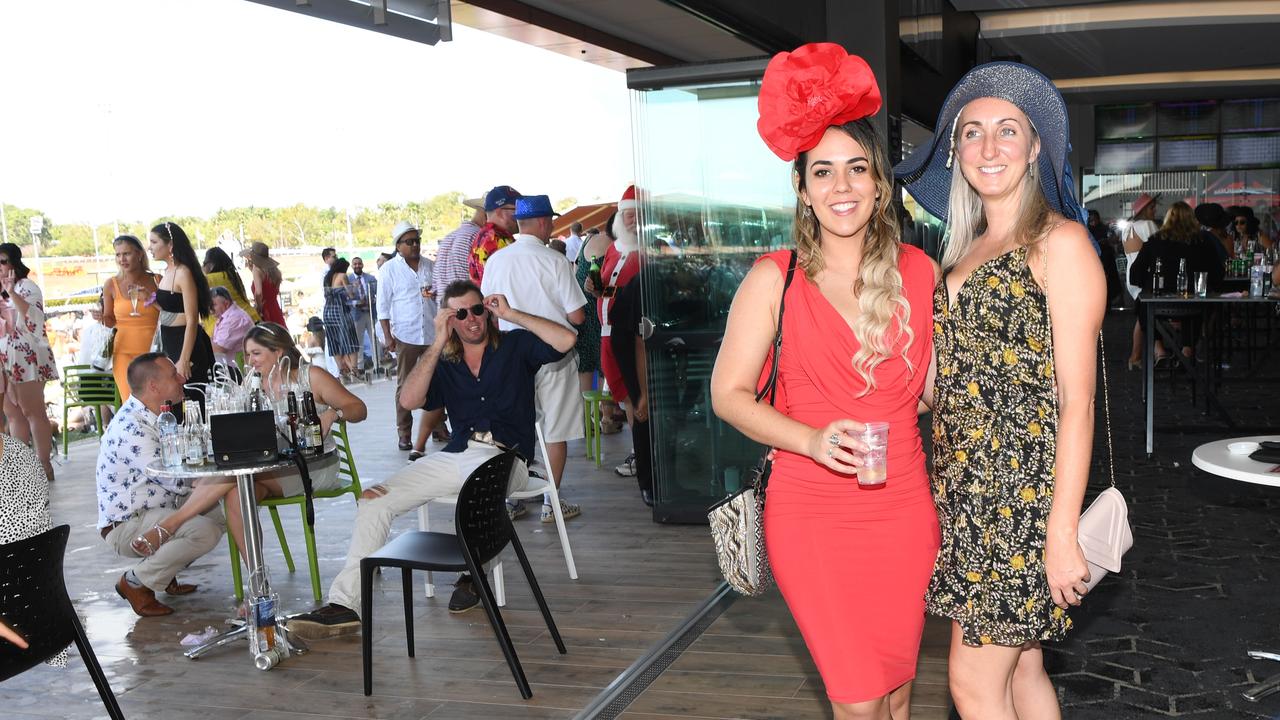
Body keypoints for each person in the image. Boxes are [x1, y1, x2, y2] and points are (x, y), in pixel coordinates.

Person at [714, 44, 940, 720]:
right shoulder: (772, 278)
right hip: (812, 513)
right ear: (804, 190)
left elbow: (928, 392)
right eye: (823, 173)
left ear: (878, 182)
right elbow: (728, 396)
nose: (842, 188)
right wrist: (811, 439)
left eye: (857, 170)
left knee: (899, 697)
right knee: (860, 704)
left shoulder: (920, 273)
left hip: (904, 507)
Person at [895, 60, 1104, 719]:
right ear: (956, 150)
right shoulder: (964, 253)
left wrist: (1062, 532)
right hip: (963, 497)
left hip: (1020, 504)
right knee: (1020, 676)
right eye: (973, 132)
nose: (989, 147)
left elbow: (1078, 403)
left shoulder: (1060, 243)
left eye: (1008, 131)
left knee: (972, 687)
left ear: (1036, 147)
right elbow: (944, 392)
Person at [286, 283, 575, 638]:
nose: (472, 320)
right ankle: (346, 606)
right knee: (374, 500)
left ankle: (474, 571)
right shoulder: (446, 361)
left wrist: (511, 313)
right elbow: (408, 400)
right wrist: (437, 342)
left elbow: (566, 340)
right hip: (458, 455)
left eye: (477, 310)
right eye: (460, 314)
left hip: (506, 458)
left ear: (487, 310)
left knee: (477, 485)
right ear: (449, 319)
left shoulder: (515, 346)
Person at [128, 323, 366, 567]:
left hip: (312, 467)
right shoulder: (252, 385)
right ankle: (258, 578)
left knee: (231, 480)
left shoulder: (311, 376)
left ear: (279, 352)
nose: (250, 361)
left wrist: (332, 413)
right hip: (270, 466)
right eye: (248, 354)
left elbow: (358, 408)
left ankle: (171, 524)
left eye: (256, 353)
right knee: (235, 490)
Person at [481, 194, 587, 522]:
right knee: (555, 431)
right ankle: (550, 504)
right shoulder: (553, 261)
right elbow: (578, 316)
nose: (553, 226)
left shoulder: (497, 260)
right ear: (542, 222)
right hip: (552, 354)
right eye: (551, 220)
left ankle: (512, 499)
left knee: (514, 431)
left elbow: (488, 309)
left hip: (510, 357)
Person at [96, 353, 225, 616]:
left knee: (229, 512)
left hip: (154, 508)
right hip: (127, 524)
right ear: (153, 386)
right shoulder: (133, 428)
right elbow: (176, 480)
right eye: (173, 375)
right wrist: (216, 475)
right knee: (205, 531)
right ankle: (136, 581)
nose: (181, 378)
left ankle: (164, 573)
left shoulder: (155, 415)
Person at [1128, 201, 1225, 362]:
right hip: (1195, 303)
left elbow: (1135, 273)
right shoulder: (1203, 241)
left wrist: (1150, 283)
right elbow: (1217, 274)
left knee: (1144, 306)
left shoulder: (1154, 241)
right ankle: (1188, 348)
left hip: (1159, 303)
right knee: (1198, 307)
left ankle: (1159, 349)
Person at [0, 243, 59, 482]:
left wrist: (11, 291)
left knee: (33, 411)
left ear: (14, 263)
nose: (0, 267)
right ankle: (22, 468)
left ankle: (44, 464)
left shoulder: (27, 287)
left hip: (27, 357)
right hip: (4, 358)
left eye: (3, 261)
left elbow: (34, 319)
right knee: (13, 414)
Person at [377, 221, 438, 452]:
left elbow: (440, 297)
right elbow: (382, 306)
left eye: (417, 241)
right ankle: (404, 434)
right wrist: (387, 337)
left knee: (436, 383)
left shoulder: (431, 266)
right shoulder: (389, 270)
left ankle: (439, 428)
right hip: (405, 334)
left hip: (431, 334)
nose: (414, 245)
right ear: (398, 245)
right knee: (405, 385)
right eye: (409, 242)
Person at [149, 222, 215, 396]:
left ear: (170, 245)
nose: (150, 247)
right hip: (170, 341)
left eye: (154, 242)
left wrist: (184, 359)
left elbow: (192, 319)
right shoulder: (168, 272)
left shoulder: (183, 272)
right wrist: (149, 301)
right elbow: (172, 309)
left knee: (192, 398)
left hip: (185, 343)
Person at [102, 234, 160, 402]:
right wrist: (102, 317)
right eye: (118, 255)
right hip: (123, 351)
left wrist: (150, 298)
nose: (122, 259)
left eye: (127, 253)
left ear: (140, 254)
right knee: (132, 403)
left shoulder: (157, 280)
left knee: (156, 403)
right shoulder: (111, 284)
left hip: (153, 351)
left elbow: (167, 313)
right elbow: (109, 319)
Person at [1124, 194, 1160, 367]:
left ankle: (1136, 356)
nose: (1155, 210)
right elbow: (1159, 248)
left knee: (1142, 316)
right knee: (1146, 315)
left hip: (1131, 277)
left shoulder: (1127, 228)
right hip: (1144, 277)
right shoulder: (1148, 225)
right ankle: (1144, 354)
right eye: (1152, 207)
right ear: (1145, 210)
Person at [467, 185, 521, 285]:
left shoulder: (483, 236)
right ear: (499, 213)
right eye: (516, 209)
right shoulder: (496, 239)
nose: (521, 214)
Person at [201, 247, 259, 339]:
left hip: (228, 327)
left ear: (210, 264)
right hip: (251, 318)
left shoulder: (208, 279)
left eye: (204, 263)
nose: (203, 266)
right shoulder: (232, 276)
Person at [435, 197, 487, 289]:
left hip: (444, 302)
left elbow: (436, 285)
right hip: (467, 301)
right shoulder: (479, 237)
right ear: (486, 214)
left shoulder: (448, 237)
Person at [323, 258, 360, 379]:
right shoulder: (342, 275)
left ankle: (342, 371)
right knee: (351, 340)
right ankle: (354, 370)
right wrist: (354, 286)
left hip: (328, 311)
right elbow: (351, 294)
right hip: (340, 310)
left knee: (334, 341)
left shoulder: (327, 278)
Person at [240, 241, 286, 326]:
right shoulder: (275, 271)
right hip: (275, 308)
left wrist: (258, 308)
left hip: (265, 309)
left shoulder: (256, 269)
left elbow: (259, 292)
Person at [208, 286, 254, 369]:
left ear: (226, 303)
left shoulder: (234, 319)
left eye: (214, 305)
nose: (210, 309)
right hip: (232, 367)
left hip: (237, 371)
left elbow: (219, 349)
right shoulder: (228, 316)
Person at [347, 256, 376, 370]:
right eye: (355, 264)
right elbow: (346, 299)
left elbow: (377, 294)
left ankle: (377, 364)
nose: (357, 266)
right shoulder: (348, 280)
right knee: (358, 341)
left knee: (374, 338)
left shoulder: (371, 278)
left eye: (359, 263)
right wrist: (356, 303)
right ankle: (360, 367)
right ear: (352, 266)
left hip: (370, 313)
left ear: (362, 265)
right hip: (356, 314)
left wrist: (370, 301)